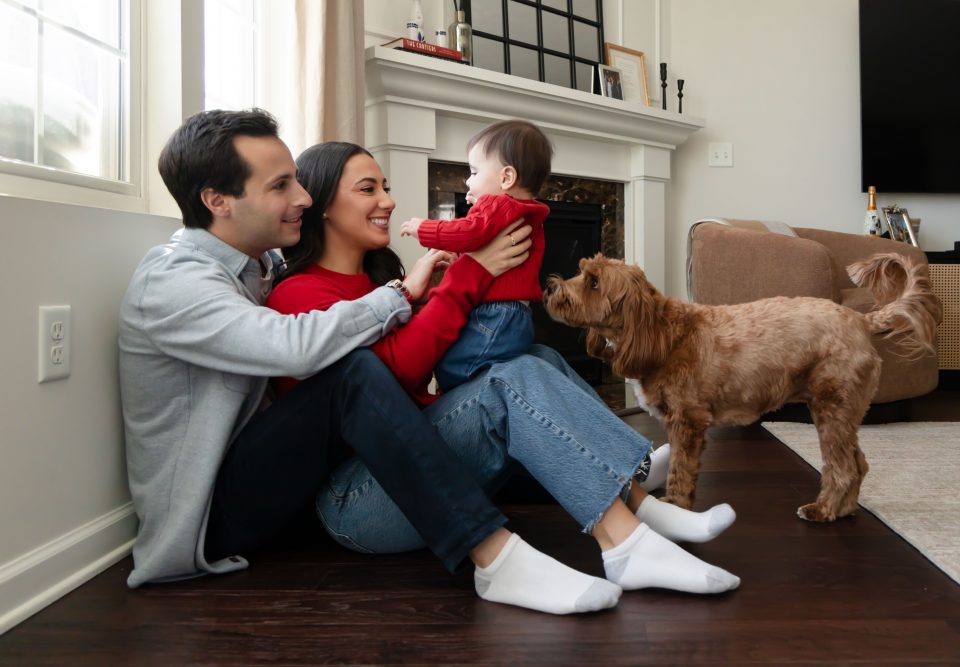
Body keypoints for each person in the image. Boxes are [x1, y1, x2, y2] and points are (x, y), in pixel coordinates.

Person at [267, 140, 742, 614]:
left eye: (385, 187)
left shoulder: (383, 284)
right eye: (368, 189)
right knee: (508, 379)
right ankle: (627, 537)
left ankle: (633, 493)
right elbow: (392, 375)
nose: (388, 201)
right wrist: (470, 275)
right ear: (323, 204)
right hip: (358, 499)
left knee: (534, 355)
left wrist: (444, 288)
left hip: (421, 471)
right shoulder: (297, 294)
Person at [118, 109, 541, 609]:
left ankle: (617, 487)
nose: (302, 198)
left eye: (298, 182)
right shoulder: (175, 282)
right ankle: (495, 556)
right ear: (217, 201)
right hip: (209, 516)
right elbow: (295, 347)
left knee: (530, 362)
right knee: (352, 372)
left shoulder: (259, 267)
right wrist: (403, 292)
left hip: (276, 480)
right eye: (281, 186)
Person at [397, 119, 550, 391]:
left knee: (452, 368)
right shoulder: (527, 213)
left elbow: (471, 231)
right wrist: (460, 259)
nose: (468, 181)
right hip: (518, 315)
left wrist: (424, 228)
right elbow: (486, 248)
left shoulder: (498, 204)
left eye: (474, 172)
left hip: (495, 314)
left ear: (506, 178)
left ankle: (462, 402)